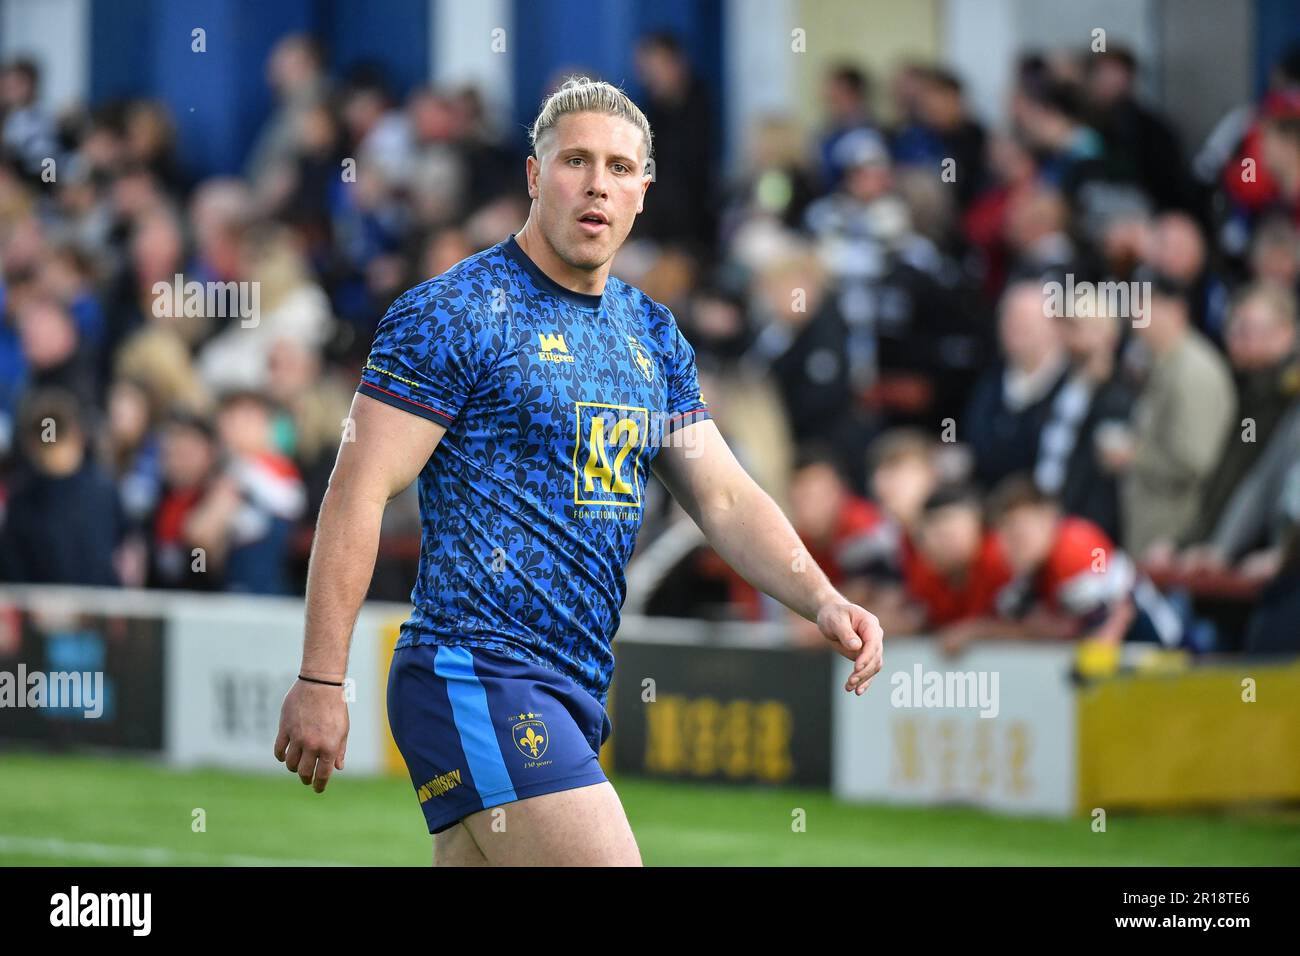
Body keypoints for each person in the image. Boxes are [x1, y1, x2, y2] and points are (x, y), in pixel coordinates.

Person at [273, 77, 884, 867]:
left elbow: (724, 496)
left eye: (621, 168)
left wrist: (823, 597)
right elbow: (356, 489)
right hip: (476, 670)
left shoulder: (652, 333)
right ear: (534, 177)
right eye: (577, 162)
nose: (599, 183)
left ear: (643, 192)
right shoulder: (454, 311)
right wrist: (322, 679)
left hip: (572, 686)